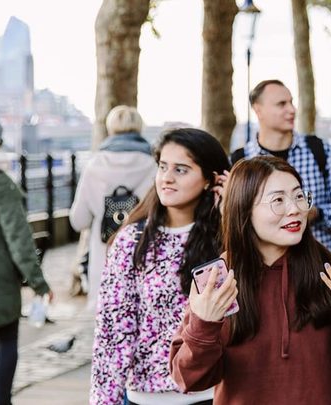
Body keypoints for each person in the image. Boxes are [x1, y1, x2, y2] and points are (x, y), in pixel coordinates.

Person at [169, 156, 331, 404]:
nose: (295, 209)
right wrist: (204, 324)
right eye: (278, 200)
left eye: (299, 196)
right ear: (244, 209)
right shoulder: (219, 279)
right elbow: (189, 379)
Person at [90, 128, 230, 404]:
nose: (166, 178)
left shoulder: (225, 238)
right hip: (148, 396)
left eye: (181, 170)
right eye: (163, 167)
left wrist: (231, 214)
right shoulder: (133, 240)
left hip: (213, 391)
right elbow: (113, 331)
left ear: (209, 180)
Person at [232, 80, 331, 258]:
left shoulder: (320, 150)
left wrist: (316, 214)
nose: (292, 109)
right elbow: (234, 217)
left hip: (320, 261)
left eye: (291, 102)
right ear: (258, 110)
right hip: (263, 265)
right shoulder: (240, 161)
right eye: (282, 104)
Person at [69, 105, 155, 309]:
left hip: (105, 262)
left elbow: (78, 220)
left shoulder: (94, 165)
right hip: (144, 256)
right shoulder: (154, 165)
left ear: (109, 129)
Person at [0, 121, 52, 405]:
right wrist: (38, 282)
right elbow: (19, 240)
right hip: (0, 285)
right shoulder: (1, 186)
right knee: (6, 340)